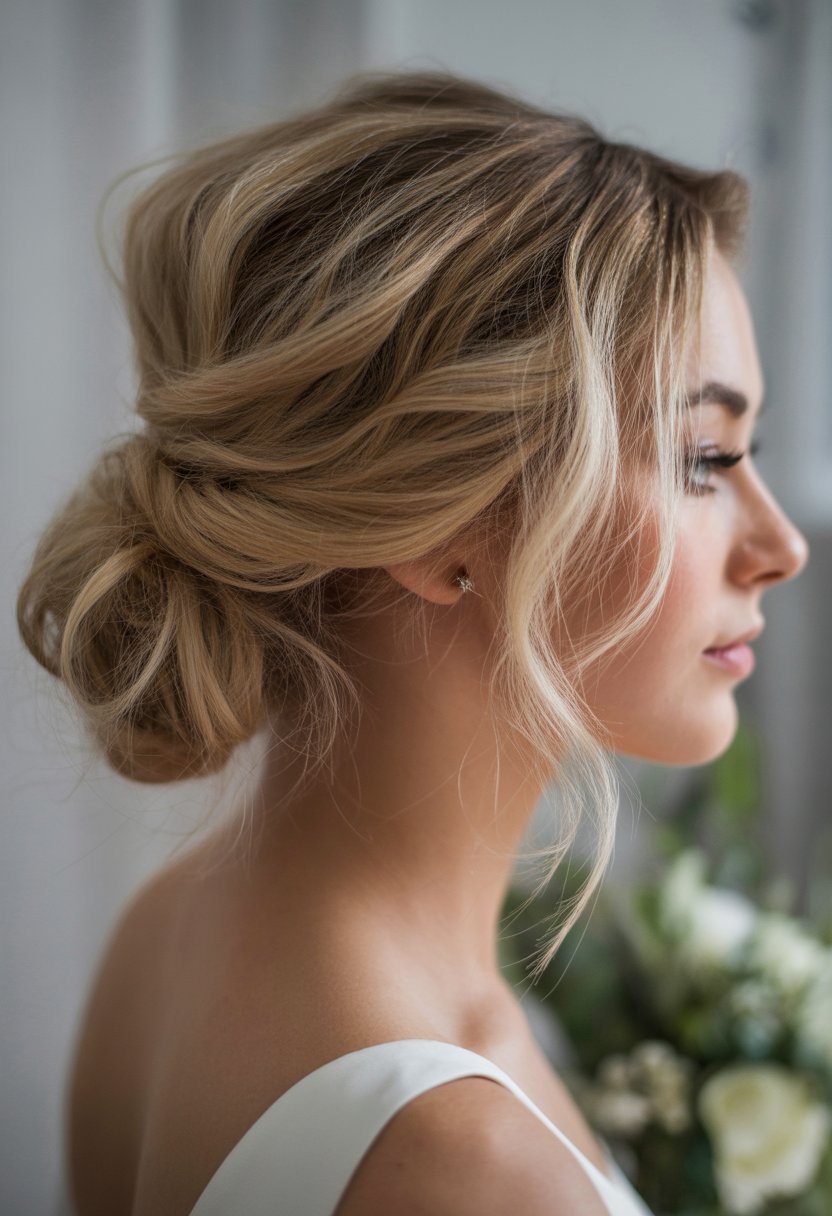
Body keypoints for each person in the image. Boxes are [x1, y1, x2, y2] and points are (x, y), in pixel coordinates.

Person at [16, 71, 809, 1216]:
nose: (780, 545)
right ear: (442, 531)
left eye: (749, 452)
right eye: (702, 460)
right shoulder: (465, 1166)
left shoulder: (176, 924)